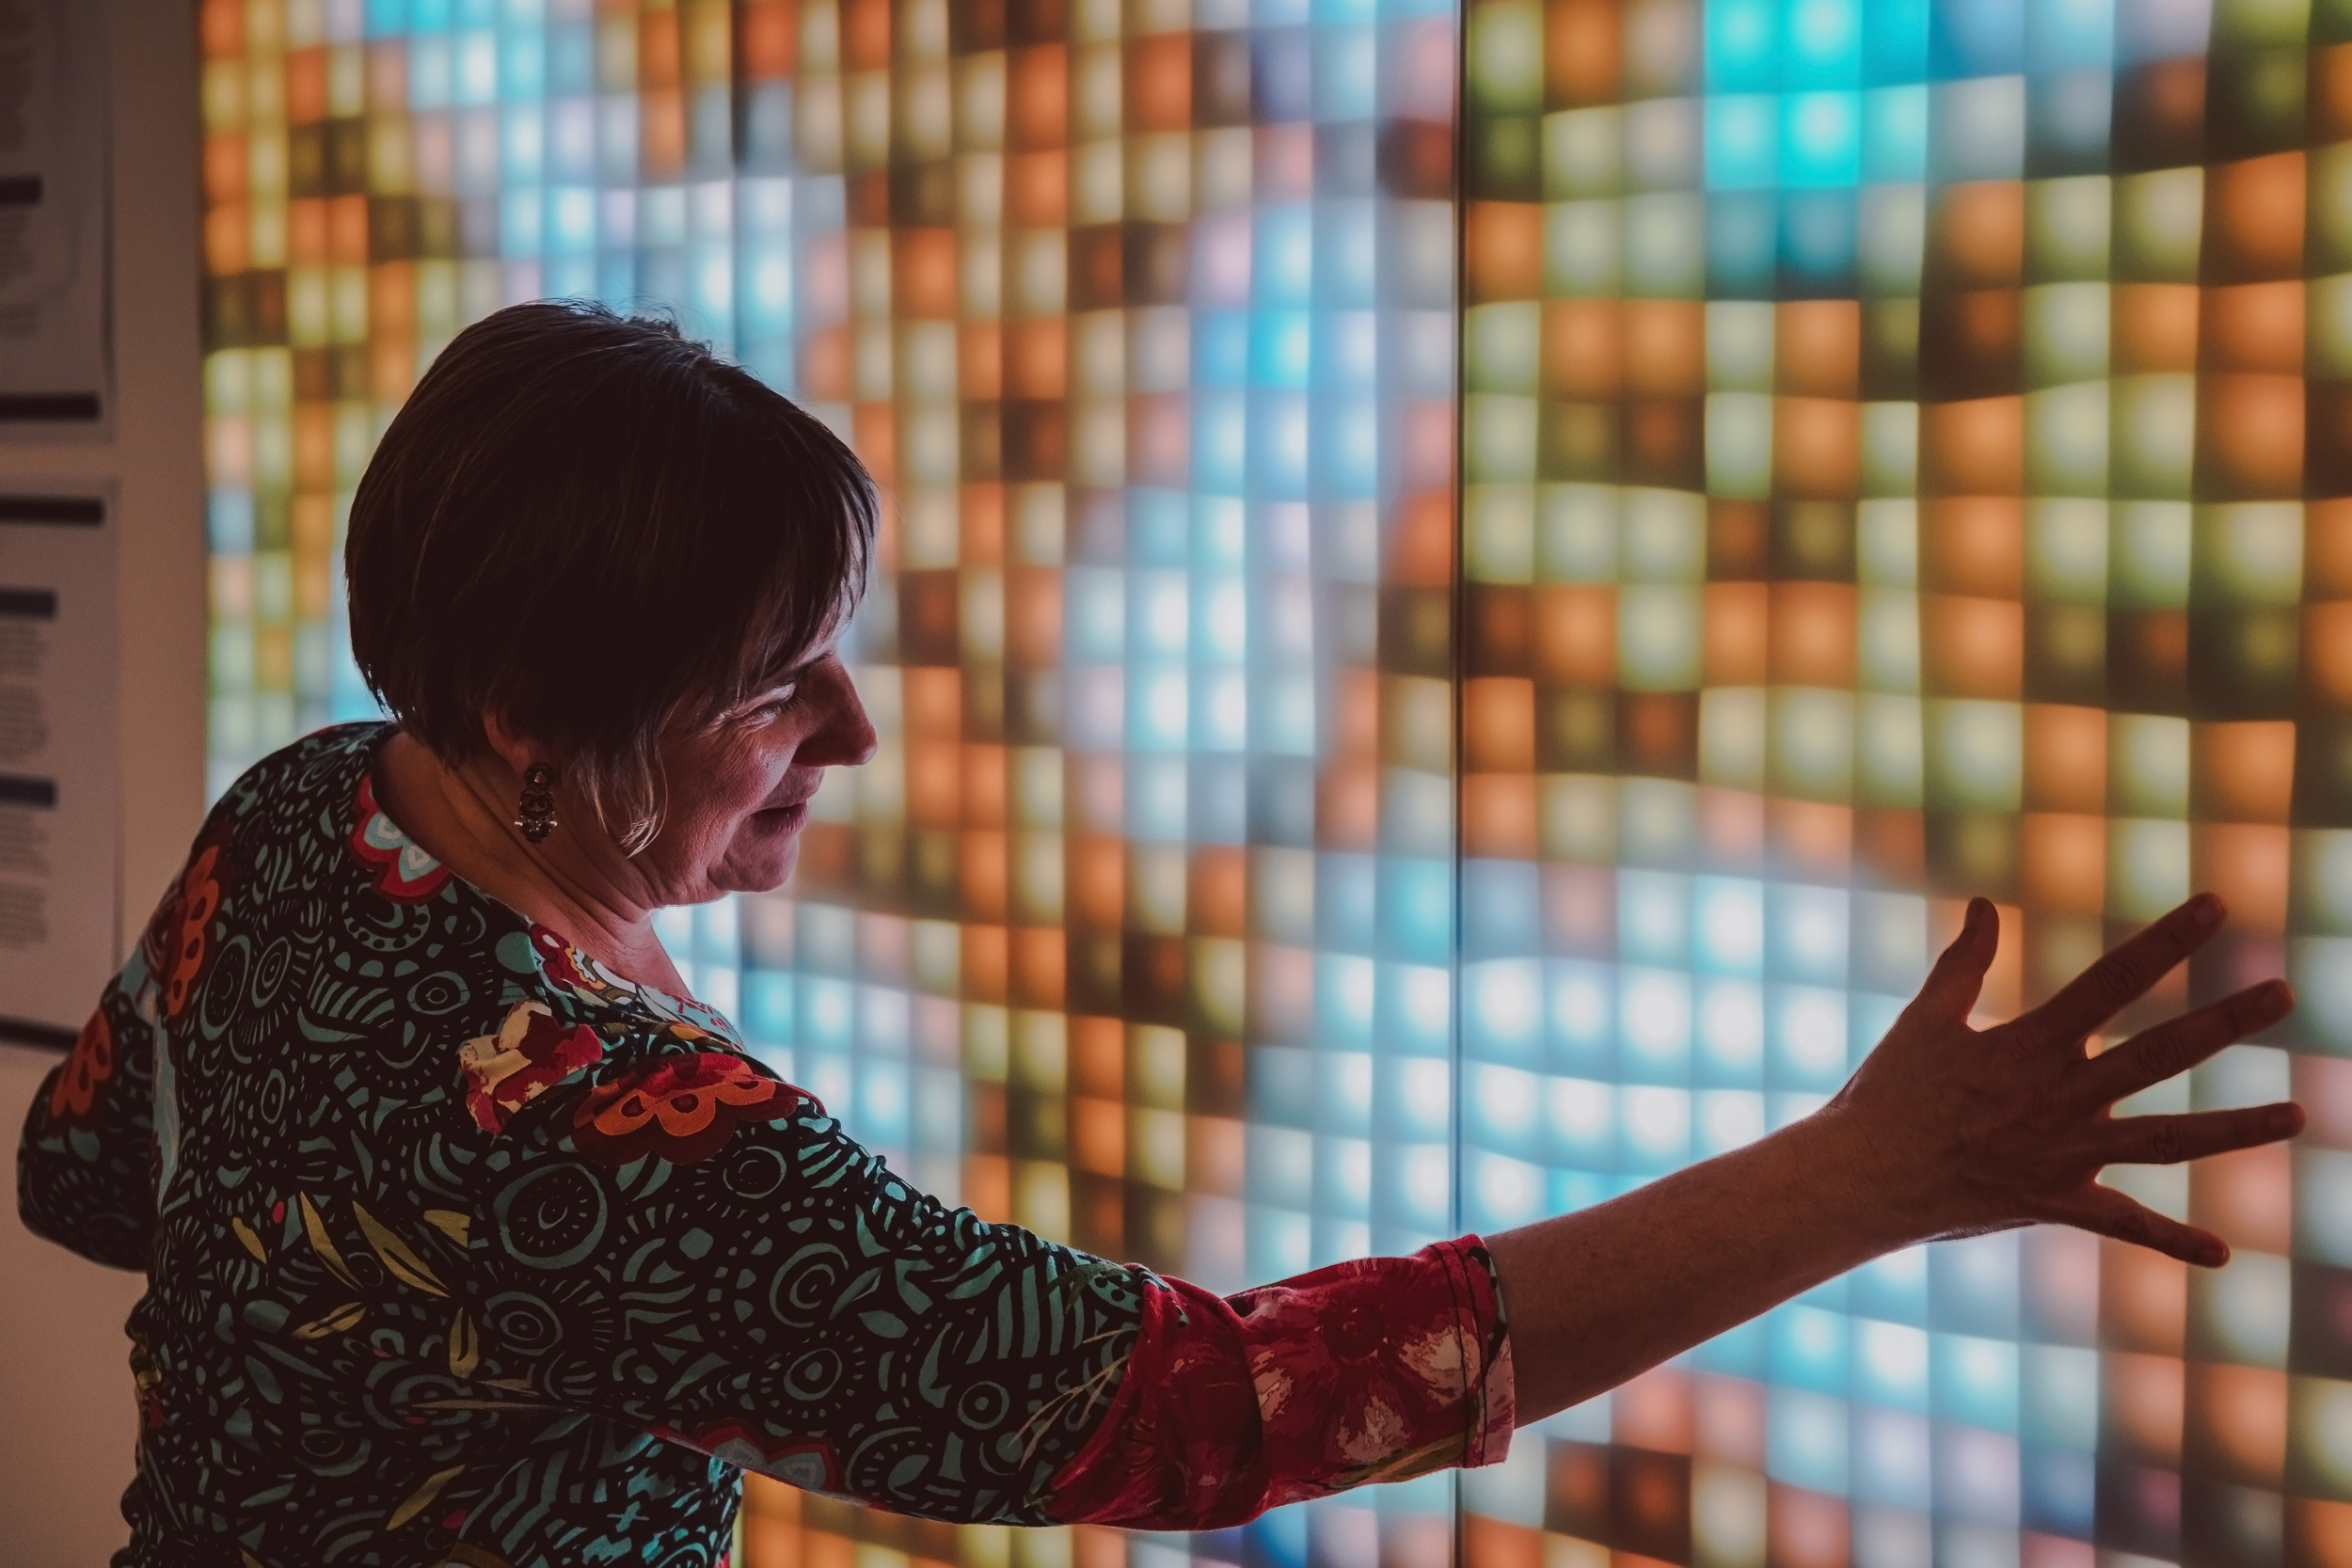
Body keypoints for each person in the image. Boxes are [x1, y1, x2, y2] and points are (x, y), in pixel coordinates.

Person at [18, 302, 2302, 1568]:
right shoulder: (619, 1137)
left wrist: (346, 1350)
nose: (861, 731)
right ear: (531, 716)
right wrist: (1850, 1181)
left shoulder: (318, 802)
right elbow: (1204, 1416)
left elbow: (87, 1166)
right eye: (769, 685)